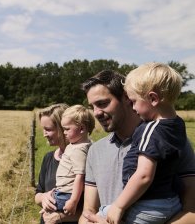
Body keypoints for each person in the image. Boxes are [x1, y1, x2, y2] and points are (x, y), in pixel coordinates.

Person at [78, 69, 195, 224]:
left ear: (127, 98)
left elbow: (192, 211)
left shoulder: (171, 142)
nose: (96, 113)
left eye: (103, 103)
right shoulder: (95, 150)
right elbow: (89, 212)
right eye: (92, 106)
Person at [99, 63, 184, 223]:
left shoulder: (152, 130)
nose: (132, 107)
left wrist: (119, 206)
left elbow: (144, 175)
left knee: (103, 213)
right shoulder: (177, 123)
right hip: (171, 201)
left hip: (148, 205)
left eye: (133, 101)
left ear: (153, 98)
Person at [35, 103, 82, 224]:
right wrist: (43, 198)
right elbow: (38, 193)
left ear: (63, 128)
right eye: (43, 129)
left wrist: (61, 217)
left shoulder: (85, 158)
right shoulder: (48, 158)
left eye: (48, 129)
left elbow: (93, 207)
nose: (44, 134)